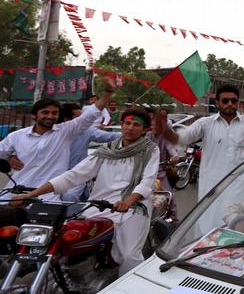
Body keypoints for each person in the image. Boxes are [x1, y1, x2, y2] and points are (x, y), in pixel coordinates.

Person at [14, 109, 159, 276]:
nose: (130, 128)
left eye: (136, 124)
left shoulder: (150, 150)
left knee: (129, 256)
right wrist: (31, 195)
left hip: (133, 209)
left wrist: (128, 202)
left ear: (145, 130)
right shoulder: (107, 149)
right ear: (121, 125)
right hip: (98, 206)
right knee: (66, 239)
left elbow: (147, 181)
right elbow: (74, 175)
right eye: (127, 123)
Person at [159, 83, 244, 232]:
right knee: (209, 229)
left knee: (238, 230)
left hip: (239, 188)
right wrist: (164, 128)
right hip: (212, 188)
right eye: (225, 101)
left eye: (234, 100)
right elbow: (181, 138)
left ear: (238, 102)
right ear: (217, 103)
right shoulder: (205, 123)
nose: (230, 104)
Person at [0, 77, 114, 199]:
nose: (50, 116)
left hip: (48, 197)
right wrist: (9, 158)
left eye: (54, 113)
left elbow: (91, 114)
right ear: (34, 115)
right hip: (15, 193)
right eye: (45, 112)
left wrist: (108, 91)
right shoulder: (16, 136)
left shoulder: (65, 131)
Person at [60, 103, 121, 201]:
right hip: (54, 174)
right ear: (66, 119)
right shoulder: (54, 132)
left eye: (82, 117)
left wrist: (129, 134)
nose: (82, 120)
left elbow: (110, 136)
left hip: (77, 174)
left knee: (69, 197)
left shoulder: (86, 131)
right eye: (78, 118)